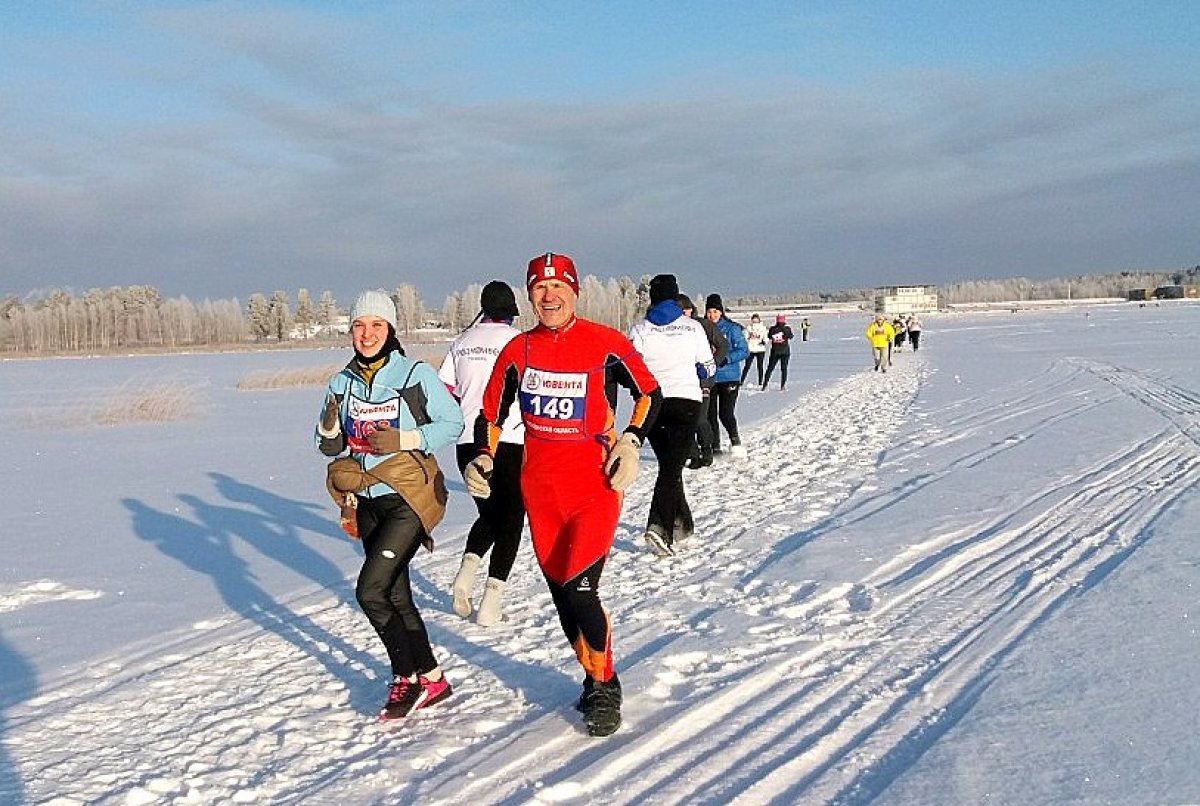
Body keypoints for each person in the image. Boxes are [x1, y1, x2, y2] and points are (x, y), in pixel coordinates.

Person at [464, 252, 662, 737]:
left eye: (558, 288)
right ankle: (592, 674)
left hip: (595, 486)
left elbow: (650, 393)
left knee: (580, 587)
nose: (548, 296)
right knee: (561, 595)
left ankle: (606, 683)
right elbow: (490, 414)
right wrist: (484, 457)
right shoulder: (518, 351)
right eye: (539, 289)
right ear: (529, 295)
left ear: (574, 292)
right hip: (541, 490)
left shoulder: (605, 343)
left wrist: (632, 441)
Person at [316, 290, 464, 721]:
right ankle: (432, 678)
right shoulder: (340, 383)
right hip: (366, 499)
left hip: (409, 498)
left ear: (390, 330)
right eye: (359, 326)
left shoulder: (414, 374)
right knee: (395, 593)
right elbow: (328, 445)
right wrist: (329, 431)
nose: (367, 334)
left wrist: (406, 439)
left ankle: (405, 678)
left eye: (376, 325)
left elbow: (451, 423)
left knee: (370, 591)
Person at [437, 280, 525, 627]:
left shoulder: (461, 342)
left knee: (489, 515)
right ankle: (491, 601)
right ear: (510, 311)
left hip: (467, 442)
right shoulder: (518, 341)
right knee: (512, 520)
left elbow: (445, 389)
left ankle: (463, 578)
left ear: (483, 308)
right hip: (510, 439)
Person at [628, 274, 715, 556]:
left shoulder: (640, 329)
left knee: (670, 464)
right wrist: (700, 372)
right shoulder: (692, 328)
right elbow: (708, 367)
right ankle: (659, 526)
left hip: (653, 404)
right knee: (670, 467)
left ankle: (683, 523)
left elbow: (630, 367)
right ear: (676, 297)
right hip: (686, 402)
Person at [678, 294, 727, 470]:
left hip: (704, 379)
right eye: (680, 311)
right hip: (683, 379)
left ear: (691, 309)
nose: (683, 314)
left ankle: (707, 450)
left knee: (700, 417)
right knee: (685, 417)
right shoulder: (674, 329)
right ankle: (692, 454)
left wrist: (712, 364)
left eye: (685, 310)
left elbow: (723, 346)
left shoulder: (704, 325)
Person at [705, 294, 749, 458]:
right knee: (710, 414)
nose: (712, 315)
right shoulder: (703, 328)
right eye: (709, 312)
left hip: (729, 377)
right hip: (710, 378)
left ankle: (735, 441)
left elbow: (744, 350)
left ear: (721, 312)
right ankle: (715, 446)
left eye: (715, 311)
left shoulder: (732, 329)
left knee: (726, 413)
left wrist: (727, 359)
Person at [761, 314, 794, 391]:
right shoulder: (787, 329)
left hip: (775, 351)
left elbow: (769, 336)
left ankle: (765, 385)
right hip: (785, 351)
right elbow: (791, 336)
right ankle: (783, 386)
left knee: (770, 368)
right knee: (784, 369)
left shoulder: (773, 329)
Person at [740, 313, 768, 386]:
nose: (755, 321)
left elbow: (766, 337)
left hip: (760, 349)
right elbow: (744, 337)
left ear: (759, 320)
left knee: (760, 366)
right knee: (747, 366)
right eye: (753, 320)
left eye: (756, 320)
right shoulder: (749, 328)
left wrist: (764, 341)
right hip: (751, 349)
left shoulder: (763, 328)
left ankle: (760, 381)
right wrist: (748, 337)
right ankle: (741, 381)